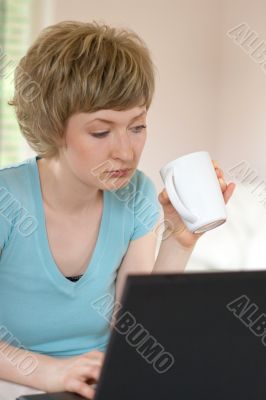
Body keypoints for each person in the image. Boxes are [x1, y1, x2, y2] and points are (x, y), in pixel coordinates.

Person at [0, 21, 235, 399]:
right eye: (100, 131)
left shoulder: (135, 194)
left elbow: (137, 331)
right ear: (52, 127)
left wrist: (179, 240)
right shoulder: (6, 200)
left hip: (101, 385)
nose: (126, 152)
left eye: (137, 126)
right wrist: (52, 374)